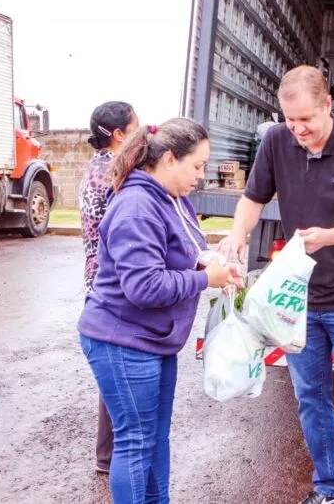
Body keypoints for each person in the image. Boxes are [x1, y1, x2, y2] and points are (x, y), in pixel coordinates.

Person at [219, 66, 334, 504]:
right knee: (310, 397)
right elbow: (253, 198)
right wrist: (238, 234)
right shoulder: (277, 140)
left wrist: (327, 236)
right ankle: (329, 488)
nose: (298, 130)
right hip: (299, 300)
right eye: (290, 120)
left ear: (328, 105)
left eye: (306, 120)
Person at [78, 118, 241, 504]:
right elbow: (144, 287)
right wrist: (206, 280)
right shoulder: (137, 206)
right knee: (135, 442)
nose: (201, 176)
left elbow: (178, 256)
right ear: (169, 158)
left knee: (154, 437)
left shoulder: (171, 198)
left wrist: (208, 265)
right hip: (122, 341)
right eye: (197, 166)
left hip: (154, 339)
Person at [79, 101, 140, 474]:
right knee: (118, 367)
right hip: (112, 283)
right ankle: (110, 456)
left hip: (96, 279)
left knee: (112, 368)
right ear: (119, 135)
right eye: (135, 126)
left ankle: (107, 455)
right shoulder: (115, 174)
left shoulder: (95, 167)